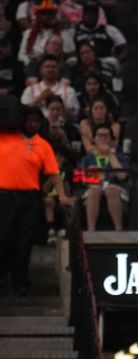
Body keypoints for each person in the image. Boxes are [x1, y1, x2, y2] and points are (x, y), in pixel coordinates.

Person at [0, 98, 72, 296]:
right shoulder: (6, 136)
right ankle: (3, 274)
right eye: (29, 120)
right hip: (4, 198)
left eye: (37, 122)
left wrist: (63, 196)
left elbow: (54, 173)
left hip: (29, 200)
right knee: (4, 239)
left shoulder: (43, 145)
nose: (33, 124)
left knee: (24, 242)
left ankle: (20, 281)